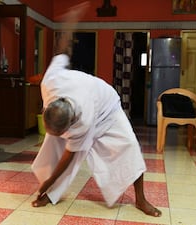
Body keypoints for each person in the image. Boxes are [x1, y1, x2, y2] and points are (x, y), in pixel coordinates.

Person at [30, 2, 162, 217]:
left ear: (72, 122)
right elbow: (62, 49)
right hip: (85, 102)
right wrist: (70, 20)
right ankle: (50, 193)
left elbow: (70, 157)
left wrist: (48, 181)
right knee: (51, 148)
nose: (62, 136)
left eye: (64, 132)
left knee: (129, 147)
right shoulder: (51, 81)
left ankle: (141, 199)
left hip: (108, 109)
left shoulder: (83, 120)